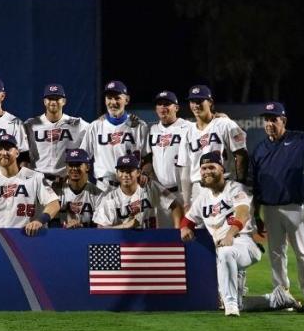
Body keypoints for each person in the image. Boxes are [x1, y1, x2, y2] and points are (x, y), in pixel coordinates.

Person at [249, 101, 304, 312]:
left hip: (296, 207)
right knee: (276, 254)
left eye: (274, 119)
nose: (269, 123)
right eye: (267, 120)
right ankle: (282, 294)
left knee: (303, 253)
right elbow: (256, 184)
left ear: (284, 121)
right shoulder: (260, 149)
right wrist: (257, 215)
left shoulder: (301, 140)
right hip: (270, 209)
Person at [181, 152, 264, 317]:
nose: (207, 171)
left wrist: (230, 234)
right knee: (226, 257)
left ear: (222, 168)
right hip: (224, 248)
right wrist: (185, 228)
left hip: (244, 243)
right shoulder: (203, 197)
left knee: (226, 253)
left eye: (211, 167)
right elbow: (188, 219)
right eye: (203, 168)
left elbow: (243, 213)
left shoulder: (235, 188)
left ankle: (230, 306)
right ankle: (278, 299)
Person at [0, 136, 58, 236]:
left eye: (8, 149)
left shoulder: (36, 177)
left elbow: (54, 204)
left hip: (26, 236)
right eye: (0, 149)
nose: (4, 153)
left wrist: (40, 221)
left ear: (17, 153)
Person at [80, 80, 149, 192]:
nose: (113, 102)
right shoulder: (95, 126)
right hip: (103, 187)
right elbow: (83, 158)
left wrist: (145, 173)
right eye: (109, 98)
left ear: (127, 100)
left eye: (117, 98)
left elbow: (148, 157)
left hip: (131, 187)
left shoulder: (139, 126)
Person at [185, 85, 248, 197]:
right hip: (198, 189)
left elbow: (241, 155)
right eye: (192, 101)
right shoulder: (188, 131)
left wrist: (240, 183)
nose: (196, 105)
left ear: (210, 102)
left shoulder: (225, 124)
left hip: (224, 185)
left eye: (200, 101)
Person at [93, 154, 184, 229]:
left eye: (130, 171)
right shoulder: (110, 198)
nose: (125, 175)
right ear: (117, 173)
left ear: (138, 172)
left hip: (152, 241)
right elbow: (101, 228)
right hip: (124, 243)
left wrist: (177, 231)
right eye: (122, 171)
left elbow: (175, 205)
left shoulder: (150, 186)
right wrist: (125, 226)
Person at [145, 90, 194, 226]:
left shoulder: (189, 127)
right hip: (162, 194)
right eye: (159, 104)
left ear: (176, 108)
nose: (163, 107)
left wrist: (220, 116)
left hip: (184, 192)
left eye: (167, 104)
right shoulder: (152, 130)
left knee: (188, 235)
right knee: (165, 238)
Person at [23, 83, 88, 184]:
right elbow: (22, 154)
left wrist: (104, 119)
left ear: (64, 101)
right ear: (44, 101)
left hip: (66, 182)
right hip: (38, 181)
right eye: (50, 98)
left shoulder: (76, 124)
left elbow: (96, 131)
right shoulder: (31, 124)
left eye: (57, 98)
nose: (53, 102)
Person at [55, 148, 103, 228]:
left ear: (87, 167)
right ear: (66, 167)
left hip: (88, 236)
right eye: (71, 165)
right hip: (61, 236)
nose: (74, 168)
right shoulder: (57, 192)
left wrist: (80, 225)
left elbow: (100, 224)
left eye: (78, 164)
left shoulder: (98, 194)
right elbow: (51, 222)